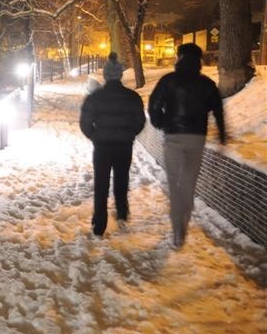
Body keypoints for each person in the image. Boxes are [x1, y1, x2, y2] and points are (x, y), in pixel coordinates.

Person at [147, 42, 226, 248]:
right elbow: (217, 110)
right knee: (188, 185)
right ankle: (184, 222)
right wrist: (222, 135)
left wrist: (161, 123)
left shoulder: (168, 81)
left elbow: (154, 105)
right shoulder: (207, 84)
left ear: (179, 57)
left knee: (174, 184)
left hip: (173, 138)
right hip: (196, 139)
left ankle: (177, 231)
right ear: (199, 60)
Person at [80, 52, 146, 236]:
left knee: (101, 183)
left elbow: (85, 122)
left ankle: (99, 223)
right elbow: (140, 121)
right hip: (124, 146)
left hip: (102, 147)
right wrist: (129, 134)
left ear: (106, 75)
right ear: (120, 75)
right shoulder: (132, 97)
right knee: (121, 179)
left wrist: (95, 136)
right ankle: (122, 212)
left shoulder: (95, 97)